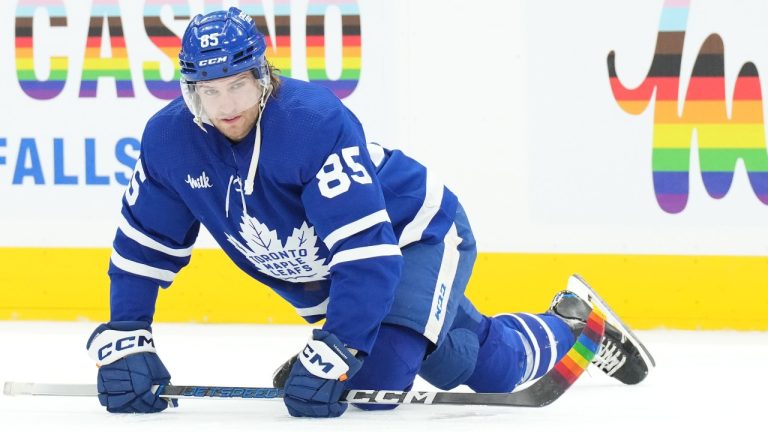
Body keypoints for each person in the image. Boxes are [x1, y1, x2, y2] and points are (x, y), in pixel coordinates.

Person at [85, 7, 652, 417]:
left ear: (263, 76)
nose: (226, 105)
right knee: (458, 364)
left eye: (238, 85)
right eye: (209, 91)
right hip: (324, 269)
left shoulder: (312, 122)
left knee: (379, 379)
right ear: (189, 92)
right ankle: (545, 322)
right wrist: (128, 335)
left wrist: (338, 350)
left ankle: (577, 326)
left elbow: (368, 255)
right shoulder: (168, 142)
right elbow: (143, 249)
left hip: (412, 234)